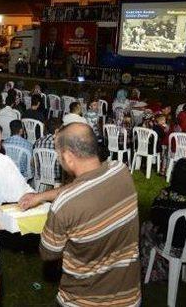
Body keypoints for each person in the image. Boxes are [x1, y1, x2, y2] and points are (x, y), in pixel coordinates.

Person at [36, 123, 141, 306]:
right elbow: (87, 185)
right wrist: (42, 196)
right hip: (128, 297)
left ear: (68, 157)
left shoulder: (64, 206)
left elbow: (48, 253)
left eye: (59, 154)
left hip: (83, 300)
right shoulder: (121, 170)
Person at [140, 159, 186, 281]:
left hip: (173, 246)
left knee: (146, 227)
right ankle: (183, 274)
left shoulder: (167, 195)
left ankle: (155, 270)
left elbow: (155, 217)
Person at [32, 118, 63, 183]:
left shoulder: (37, 141)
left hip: (40, 173)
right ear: (56, 131)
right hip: (57, 176)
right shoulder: (61, 143)